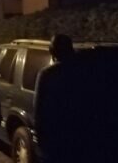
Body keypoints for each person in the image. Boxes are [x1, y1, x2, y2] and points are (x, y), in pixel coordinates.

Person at [34, 34, 79, 163]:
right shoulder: (83, 72)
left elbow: (38, 108)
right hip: (77, 135)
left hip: (54, 136)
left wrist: (40, 137)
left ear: (52, 51)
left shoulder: (47, 74)